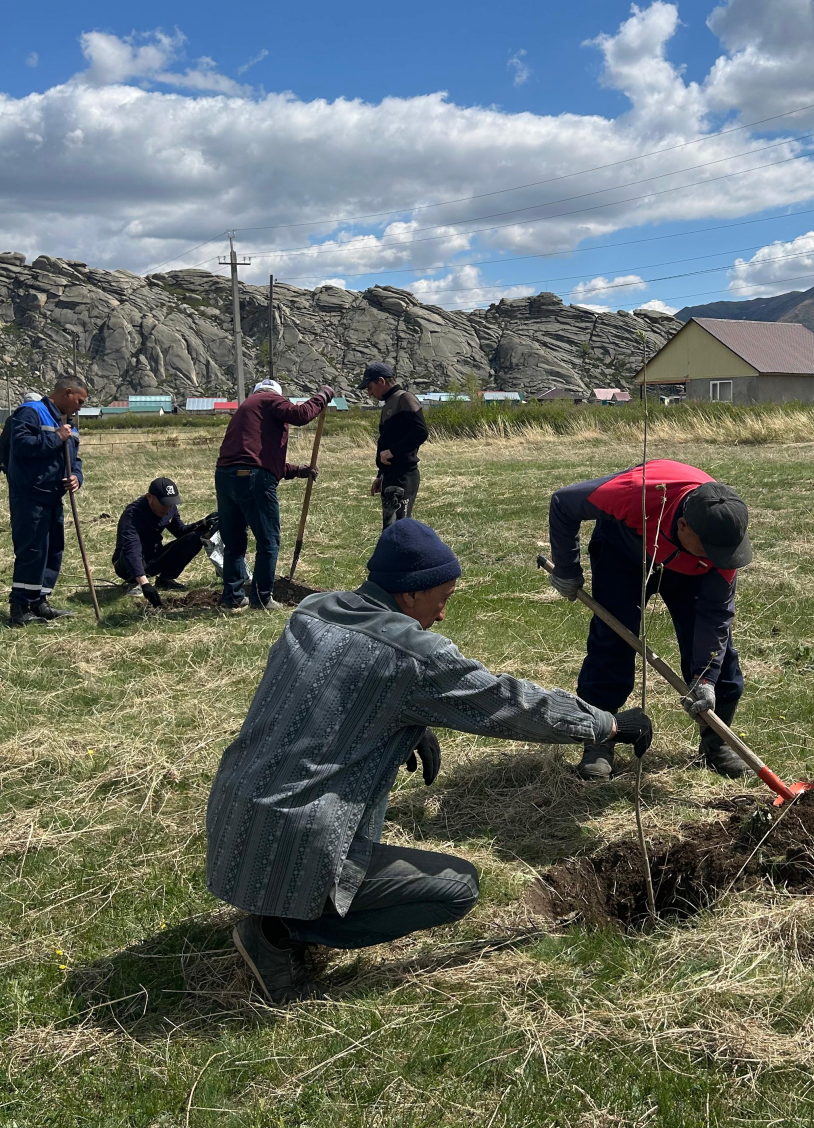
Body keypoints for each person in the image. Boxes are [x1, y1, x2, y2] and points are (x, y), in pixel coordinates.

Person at [206, 518, 652, 1003]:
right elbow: (509, 704)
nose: (442, 614)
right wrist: (605, 724)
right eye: (443, 597)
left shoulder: (312, 614)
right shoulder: (413, 654)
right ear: (409, 595)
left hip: (232, 822)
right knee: (457, 887)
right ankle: (279, 933)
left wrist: (408, 723)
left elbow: (328, 698)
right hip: (294, 839)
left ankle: (284, 903)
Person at [547, 458, 753, 782]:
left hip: (690, 575)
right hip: (625, 553)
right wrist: (567, 568)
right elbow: (563, 502)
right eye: (709, 551)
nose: (719, 560)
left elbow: (715, 616)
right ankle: (599, 741)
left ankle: (717, 742)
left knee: (721, 664)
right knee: (611, 645)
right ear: (683, 525)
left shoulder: (721, 544)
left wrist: (705, 678)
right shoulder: (636, 492)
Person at [214, 379, 334, 612]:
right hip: (252, 478)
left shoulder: (247, 408)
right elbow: (301, 415)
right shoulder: (269, 399)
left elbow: (263, 459)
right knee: (268, 540)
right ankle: (261, 598)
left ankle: (233, 597)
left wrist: (299, 471)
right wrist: (323, 395)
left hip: (225, 476)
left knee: (235, 541)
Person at [4, 375, 88, 627]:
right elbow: (20, 445)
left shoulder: (67, 423)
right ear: (67, 392)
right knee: (32, 550)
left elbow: (76, 459)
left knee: (53, 550)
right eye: (79, 401)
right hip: (30, 495)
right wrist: (57, 438)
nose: (80, 407)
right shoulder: (31, 413)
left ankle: (39, 601)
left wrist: (76, 476)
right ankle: (19, 606)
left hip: (54, 497)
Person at [112, 476, 218, 607]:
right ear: (150, 497)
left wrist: (202, 523)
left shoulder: (170, 508)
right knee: (134, 549)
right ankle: (135, 581)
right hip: (126, 564)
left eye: (170, 503)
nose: (167, 508)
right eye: (163, 503)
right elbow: (131, 550)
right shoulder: (133, 515)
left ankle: (165, 579)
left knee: (194, 537)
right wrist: (144, 583)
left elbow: (180, 531)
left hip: (153, 557)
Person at [363, 361, 428, 528]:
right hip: (391, 475)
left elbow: (420, 432)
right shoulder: (388, 404)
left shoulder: (405, 398)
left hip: (404, 476)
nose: (369, 393)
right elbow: (388, 441)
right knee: (390, 529)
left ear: (381, 381)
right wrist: (381, 475)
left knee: (400, 529)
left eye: (370, 387)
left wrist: (393, 452)